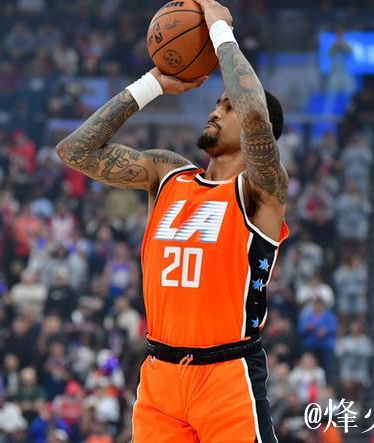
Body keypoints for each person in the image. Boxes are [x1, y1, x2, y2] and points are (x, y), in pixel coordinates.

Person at [55, 1, 288, 440]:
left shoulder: (261, 190)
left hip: (227, 373)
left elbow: (256, 113)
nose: (214, 110)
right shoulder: (168, 174)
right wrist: (151, 85)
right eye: (216, 103)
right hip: (160, 375)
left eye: (228, 107)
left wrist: (220, 34)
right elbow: (75, 152)